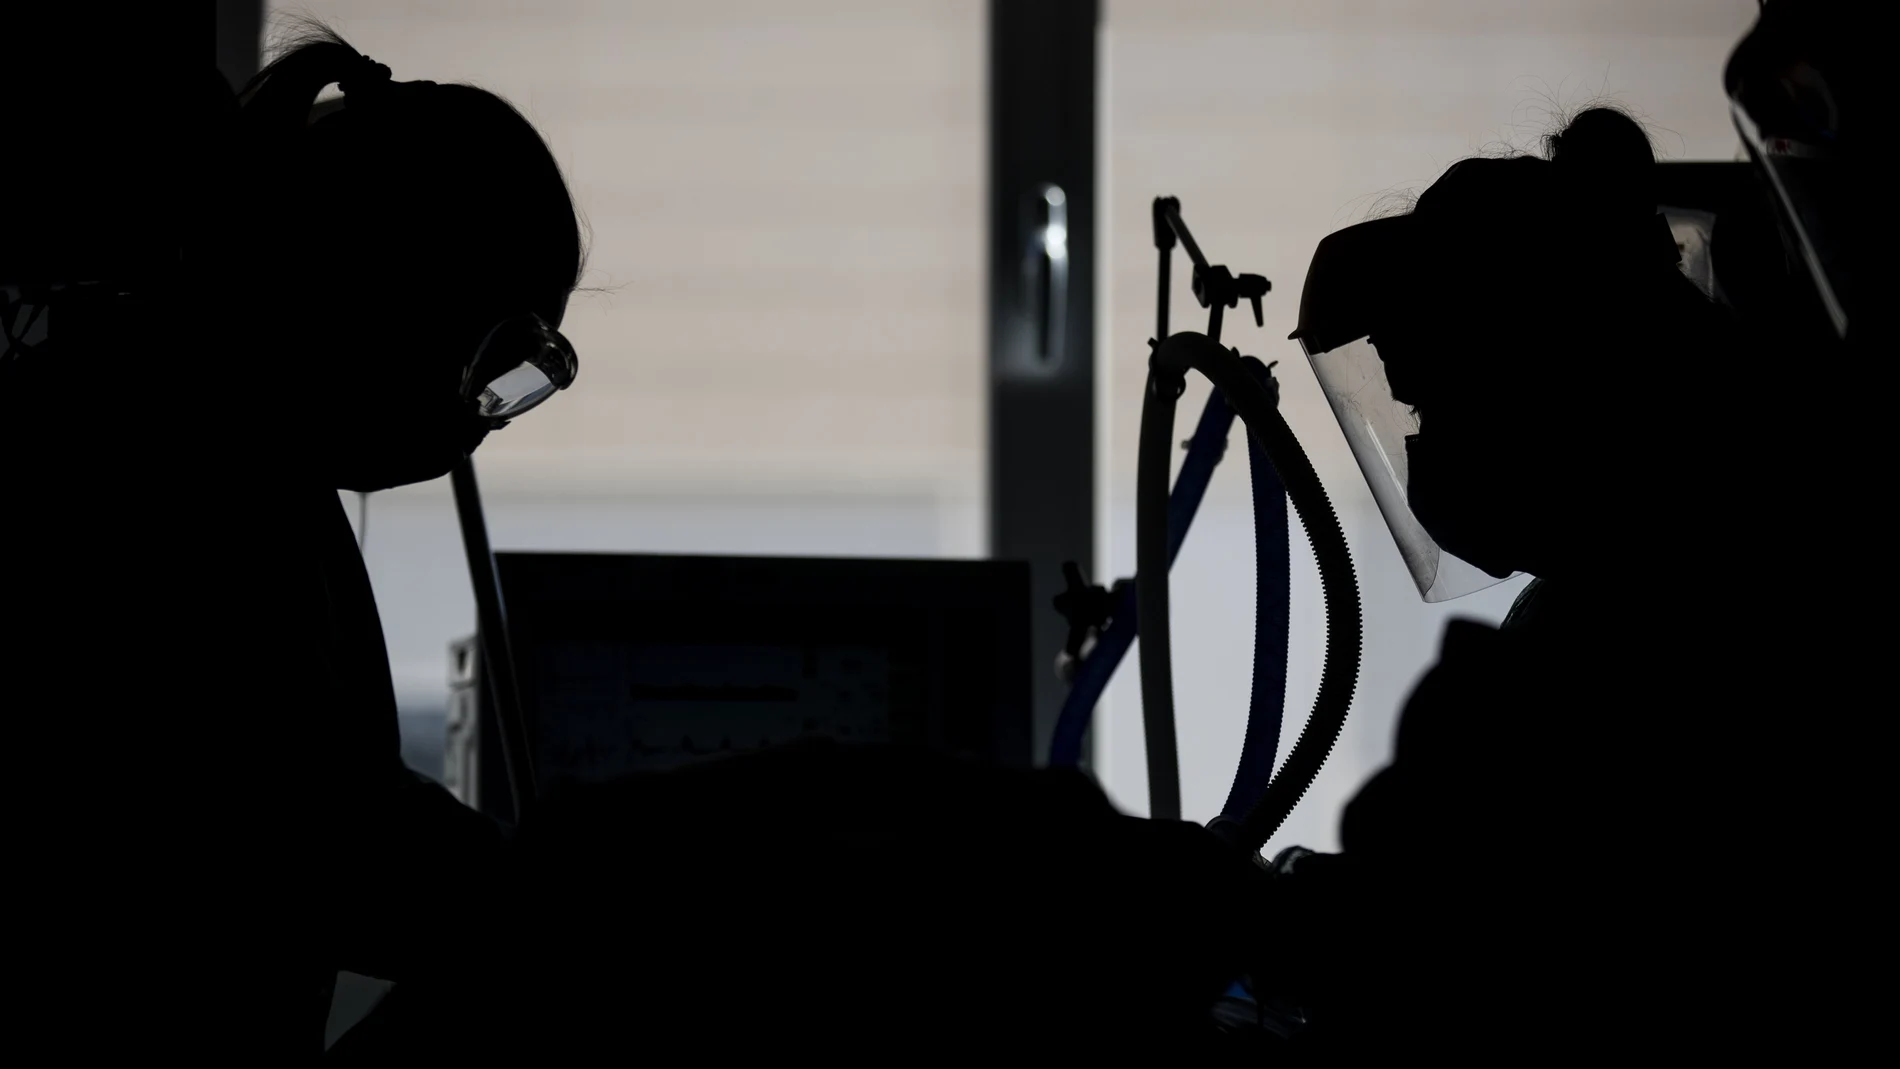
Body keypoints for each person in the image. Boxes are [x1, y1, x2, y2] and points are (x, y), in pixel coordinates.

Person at [4, 22, 585, 1057]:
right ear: (373, 295)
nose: (484, 418)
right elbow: (313, 836)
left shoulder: (224, 453)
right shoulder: (157, 474)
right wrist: (599, 901)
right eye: (499, 358)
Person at [1256, 102, 1866, 1060]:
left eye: (1433, 402)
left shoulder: (1689, 617)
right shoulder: (1647, 572)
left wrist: (1280, 904)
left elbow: (1480, 937)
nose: (1422, 453)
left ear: (1551, 362)